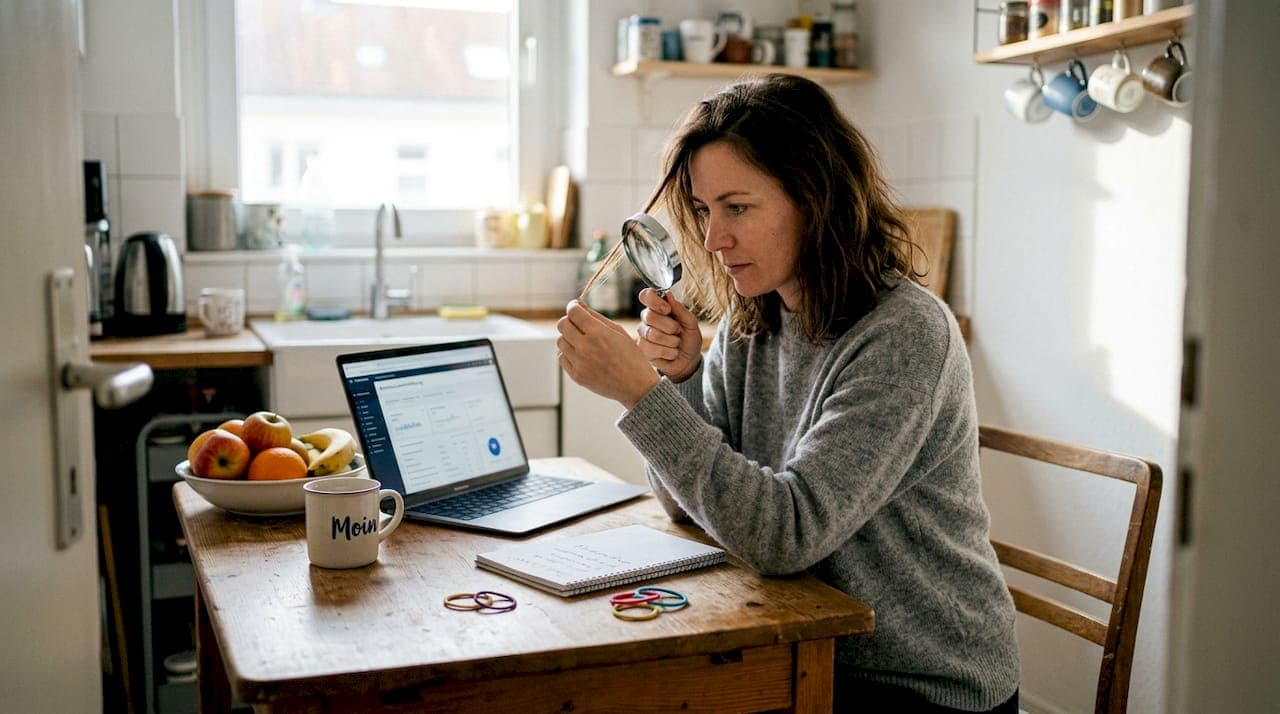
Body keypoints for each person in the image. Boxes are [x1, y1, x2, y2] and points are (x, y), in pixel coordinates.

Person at [556, 74, 1019, 712]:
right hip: (802, 647)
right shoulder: (755, 317)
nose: (714, 240)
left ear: (814, 198)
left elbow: (785, 535)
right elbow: (690, 509)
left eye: (738, 208)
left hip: (921, 682)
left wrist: (642, 396)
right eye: (703, 211)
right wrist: (681, 384)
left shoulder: (905, 334)